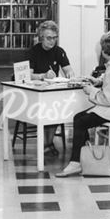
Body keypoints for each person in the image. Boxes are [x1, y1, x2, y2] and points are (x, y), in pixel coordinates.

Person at [55, 31, 110, 178]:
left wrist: (91, 90)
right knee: (80, 118)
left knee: (80, 121)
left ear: (104, 51)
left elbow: (107, 99)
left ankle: (76, 162)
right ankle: (82, 157)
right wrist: (99, 81)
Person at [26, 21, 75, 155]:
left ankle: (47, 143)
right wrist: (43, 76)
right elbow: (27, 75)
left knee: (57, 108)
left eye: (54, 38)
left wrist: (70, 75)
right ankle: (47, 144)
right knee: (49, 108)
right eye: (49, 38)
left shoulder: (59, 51)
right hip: (35, 93)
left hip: (52, 93)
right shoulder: (33, 52)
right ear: (41, 36)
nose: (52, 41)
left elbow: (69, 70)